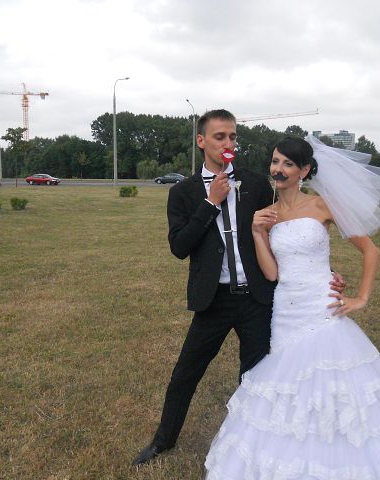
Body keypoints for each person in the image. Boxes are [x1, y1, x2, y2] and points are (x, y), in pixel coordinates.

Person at [205, 136, 380, 479]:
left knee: (334, 384)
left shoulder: (323, 205)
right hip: (286, 311)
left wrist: (360, 297)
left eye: (288, 164)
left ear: (305, 170)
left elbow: (371, 251)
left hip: (322, 308)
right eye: (275, 162)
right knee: (289, 386)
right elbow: (273, 273)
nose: (279, 169)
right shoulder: (269, 214)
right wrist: (258, 233)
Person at [132, 111, 345, 466]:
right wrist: (210, 203)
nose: (228, 143)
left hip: (257, 298)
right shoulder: (183, 192)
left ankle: (255, 441)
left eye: (232, 136)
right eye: (220, 137)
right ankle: (162, 441)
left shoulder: (256, 184)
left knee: (256, 374)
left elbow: (286, 234)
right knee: (185, 374)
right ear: (202, 141)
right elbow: (179, 247)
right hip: (213, 300)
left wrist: (325, 271)